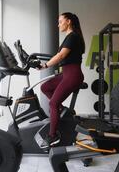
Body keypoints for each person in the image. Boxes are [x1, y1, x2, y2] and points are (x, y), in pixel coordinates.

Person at [39, 12, 85, 149]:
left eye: (60, 21)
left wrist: (45, 66)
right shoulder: (70, 37)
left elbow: (61, 56)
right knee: (45, 87)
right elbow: (60, 56)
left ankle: (53, 136)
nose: (58, 24)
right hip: (66, 74)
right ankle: (61, 110)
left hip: (72, 75)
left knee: (53, 103)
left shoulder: (73, 37)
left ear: (68, 21)